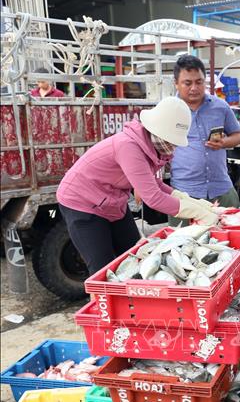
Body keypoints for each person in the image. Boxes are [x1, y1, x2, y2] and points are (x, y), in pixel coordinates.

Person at [56, 96, 219, 276]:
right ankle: (106, 301)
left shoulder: (150, 145)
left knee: (136, 254)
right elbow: (153, 198)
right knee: (103, 269)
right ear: (158, 131)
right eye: (171, 141)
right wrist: (198, 212)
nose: (173, 147)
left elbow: (152, 183)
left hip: (111, 201)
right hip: (82, 204)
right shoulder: (129, 147)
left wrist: (190, 201)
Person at [169, 55, 240, 226]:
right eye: (187, 83)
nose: (194, 88)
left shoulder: (220, 106)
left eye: (199, 82)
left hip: (222, 188)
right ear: (176, 83)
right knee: (184, 245)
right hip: (185, 193)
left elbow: (238, 135)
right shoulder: (169, 109)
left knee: (231, 242)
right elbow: (152, 149)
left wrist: (224, 142)